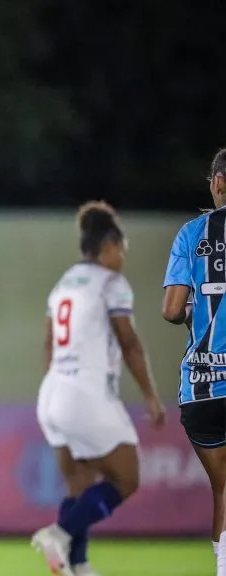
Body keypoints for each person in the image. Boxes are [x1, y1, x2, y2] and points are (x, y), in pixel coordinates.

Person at [30, 201, 165, 576]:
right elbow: (130, 343)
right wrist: (151, 395)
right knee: (126, 478)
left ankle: (79, 565)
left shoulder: (63, 284)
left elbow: (48, 345)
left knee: (80, 483)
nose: (121, 258)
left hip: (52, 391)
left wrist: (58, 385)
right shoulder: (111, 283)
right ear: (108, 246)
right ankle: (60, 533)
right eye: (121, 249)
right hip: (85, 394)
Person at [162, 147, 226, 575]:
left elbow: (171, 310)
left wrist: (192, 313)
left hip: (203, 386)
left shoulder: (192, 233)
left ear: (217, 182)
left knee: (222, 489)